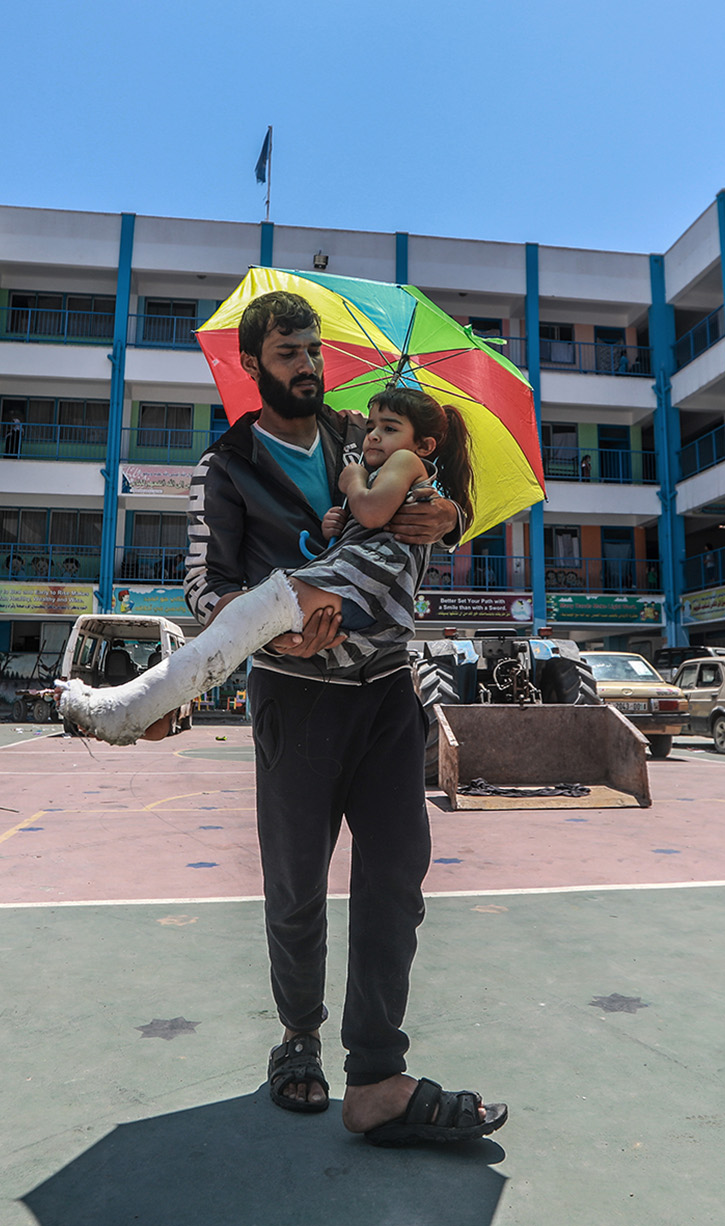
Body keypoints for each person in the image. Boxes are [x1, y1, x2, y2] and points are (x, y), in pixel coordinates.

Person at [73, 290, 505, 1147]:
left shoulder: (362, 432)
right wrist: (281, 629)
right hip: (295, 697)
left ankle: (377, 1073)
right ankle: (298, 1038)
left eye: (313, 351)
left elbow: (430, 497)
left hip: (384, 690)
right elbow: (203, 587)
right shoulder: (225, 465)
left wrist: (447, 513)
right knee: (297, 884)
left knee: (396, 878)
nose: (309, 367)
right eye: (289, 355)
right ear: (253, 366)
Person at [60, 383, 474, 741]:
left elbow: (376, 514)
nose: (372, 436)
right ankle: (151, 707)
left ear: (424, 445)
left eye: (389, 428)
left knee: (253, 613)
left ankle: (131, 710)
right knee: (245, 620)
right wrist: (339, 519)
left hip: (361, 594)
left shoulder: (390, 459)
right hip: (342, 613)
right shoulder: (230, 459)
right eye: (371, 427)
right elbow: (207, 578)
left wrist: (436, 509)